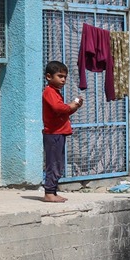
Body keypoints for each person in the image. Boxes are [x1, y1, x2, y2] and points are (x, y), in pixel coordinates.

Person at [41, 59, 82, 203]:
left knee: (58, 163)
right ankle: (49, 192)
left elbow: (62, 112)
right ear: (49, 76)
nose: (63, 80)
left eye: (65, 77)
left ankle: (52, 191)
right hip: (53, 134)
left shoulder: (55, 92)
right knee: (53, 163)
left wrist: (75, 107)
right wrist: (71, 105)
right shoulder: (49, 92)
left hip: (58, 133)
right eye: (60, 76)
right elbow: (59, 108)